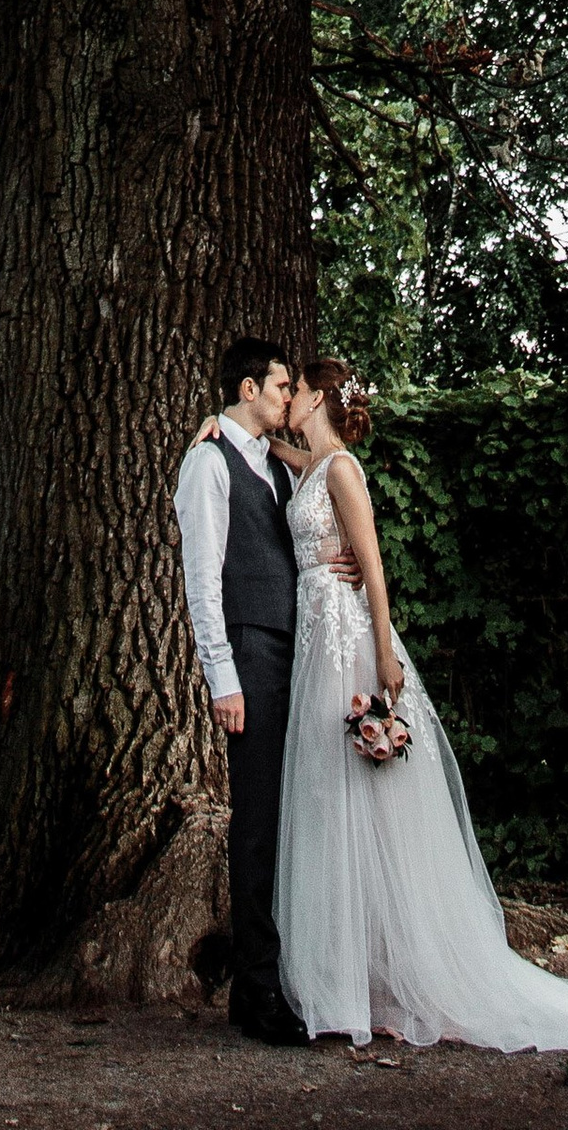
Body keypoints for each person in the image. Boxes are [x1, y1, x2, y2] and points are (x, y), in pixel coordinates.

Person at [271, 358, 568, 1056]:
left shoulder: (343, 471)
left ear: (316, 398)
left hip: (345, 637)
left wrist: (385, 653)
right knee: (328, 795)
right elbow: (283, 451)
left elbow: (371, 564)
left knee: (362, 797)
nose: (289, 401)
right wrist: (240, 438)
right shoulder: (311, 465)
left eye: (297, 392)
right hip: (314, 640)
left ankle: (389, 979)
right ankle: (352, 981)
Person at [173, 335, 311, 1045]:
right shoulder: (207, 464)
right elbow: (203, 579)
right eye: (282, 385)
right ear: (249, 388)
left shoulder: (273, 463)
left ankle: (296, 973)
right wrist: (221, 677)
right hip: (251, 659)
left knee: (297, 819)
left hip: (302, 656)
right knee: (256, 822)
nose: (290, 396)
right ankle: (255, 990)